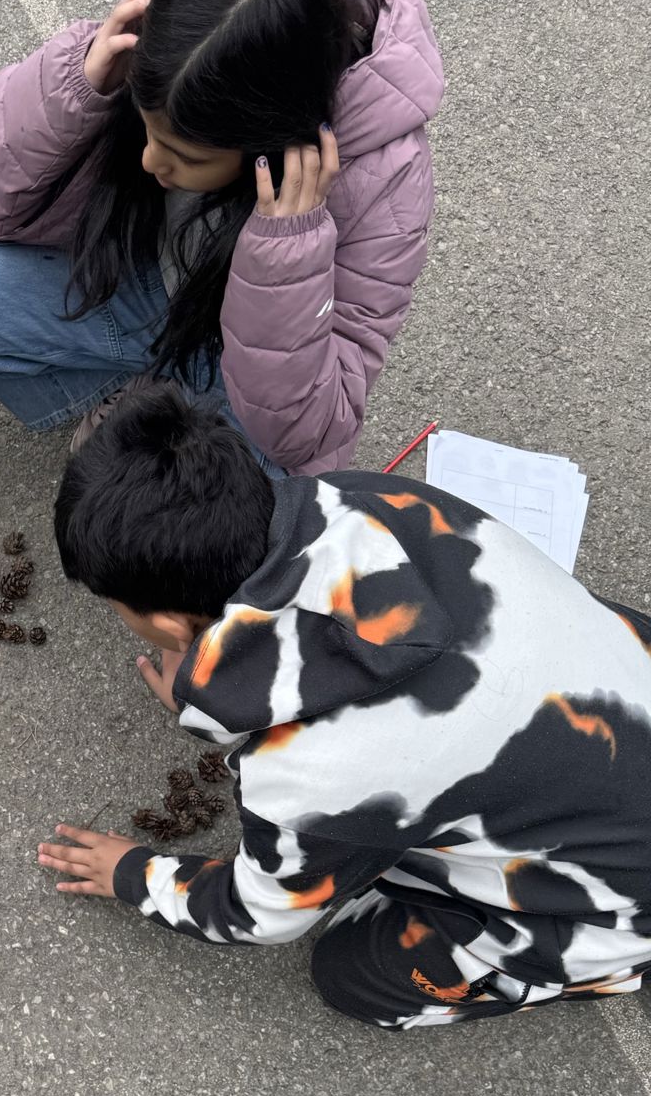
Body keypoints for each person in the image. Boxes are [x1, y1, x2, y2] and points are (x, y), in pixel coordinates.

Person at [38, 384, 651, 1029]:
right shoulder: (368, 497)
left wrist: (133, 874)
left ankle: (600, 966)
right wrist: (207, 677)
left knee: (352, 971)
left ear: (167, 625)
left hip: (623, 895)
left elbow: (258, 913)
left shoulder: (306, 779)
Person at [0, 0, 442, 475]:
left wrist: (288, 254)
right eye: (146, 128)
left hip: (249, 363)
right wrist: (77, 84)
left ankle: (172, 397)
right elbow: (0, 202)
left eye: (186, 156)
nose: (150, 161)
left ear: (270, 140)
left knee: (240, 509)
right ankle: (138, 387)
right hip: (145, 286)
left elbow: (303, 433)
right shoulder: (181, 44)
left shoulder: (385, 179)